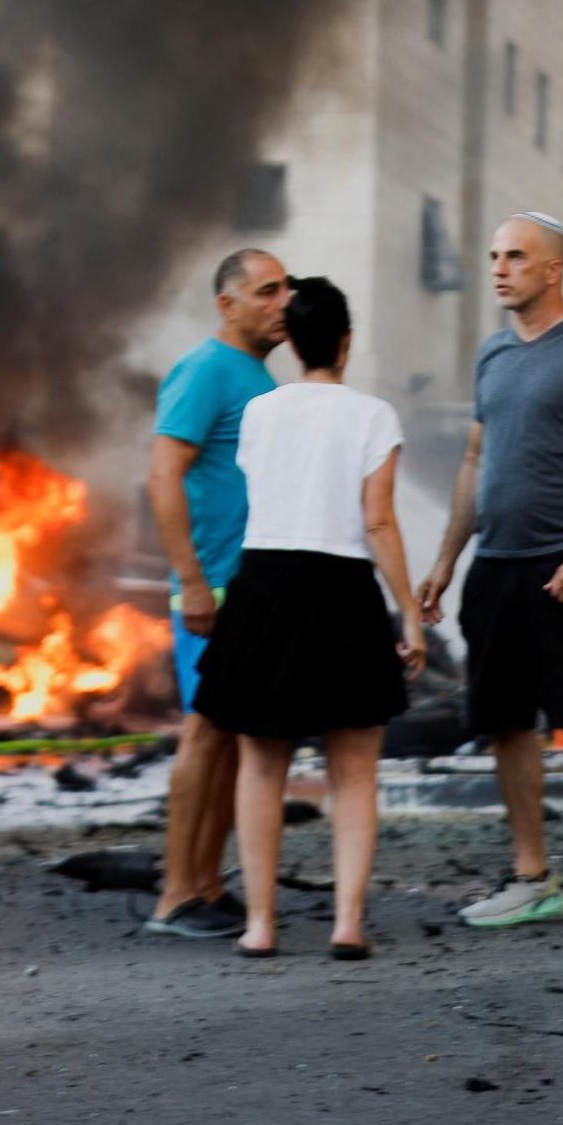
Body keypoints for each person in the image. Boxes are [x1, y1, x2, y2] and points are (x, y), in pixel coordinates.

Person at [417, 211, 563, 946]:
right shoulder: (492, 355)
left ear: (553, 269)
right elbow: (476, 463)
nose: (499, 268)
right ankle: (531, 878)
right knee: (506, 724)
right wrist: (448, 559)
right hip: (496, 567)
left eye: (516, 256)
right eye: (493, 256)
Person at [192, 276, 424, 959]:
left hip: (264, 585)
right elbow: (378, 521)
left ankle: (259, 924)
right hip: (343, 589)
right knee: (353, 773)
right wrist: (410, 613)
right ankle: (347, 922)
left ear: (291, 340)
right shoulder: (373, 415)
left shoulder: (261, 411)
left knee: (262, 766)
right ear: (347, 340)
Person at [144, 249, 289, 938]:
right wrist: (193, 580)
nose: (282, 300)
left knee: (234, 738)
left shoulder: (257, 375)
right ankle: (175, 894)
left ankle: (207, 881)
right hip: (212, 588)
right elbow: (162, 477)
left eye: (286, 288)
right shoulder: (204, 368)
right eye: (267, 290)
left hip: (249, 582)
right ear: (227, 304)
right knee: (205, 733)